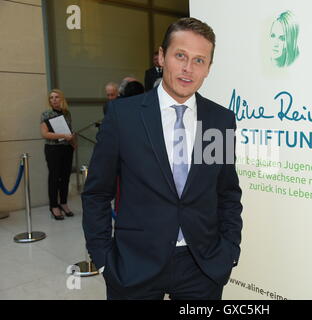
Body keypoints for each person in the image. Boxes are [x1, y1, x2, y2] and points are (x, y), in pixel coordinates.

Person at [82, 17, 243, 300]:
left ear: (208, 68)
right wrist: (104, 257)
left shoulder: (220, 120)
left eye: (199, 60)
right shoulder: (123, 116)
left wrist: (229, 249)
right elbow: (97, 192)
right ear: (161, 56)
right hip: (134, 265)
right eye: (180, 55)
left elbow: (227, 191)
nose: (187, 69)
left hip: (201, 267)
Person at [40, 89, 76, 220]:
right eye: (51, 98)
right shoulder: (46, 114)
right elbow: (44, 134)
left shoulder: (67, 113)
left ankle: (64, 203)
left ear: (62, 99)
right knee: (54, 177)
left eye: (56, 97)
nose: (54, 100)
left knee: (65, 177)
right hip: (53, 149)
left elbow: (70, 131)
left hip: (67, 148)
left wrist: (73, 142)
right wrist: (63, 135)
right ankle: (54, 206)